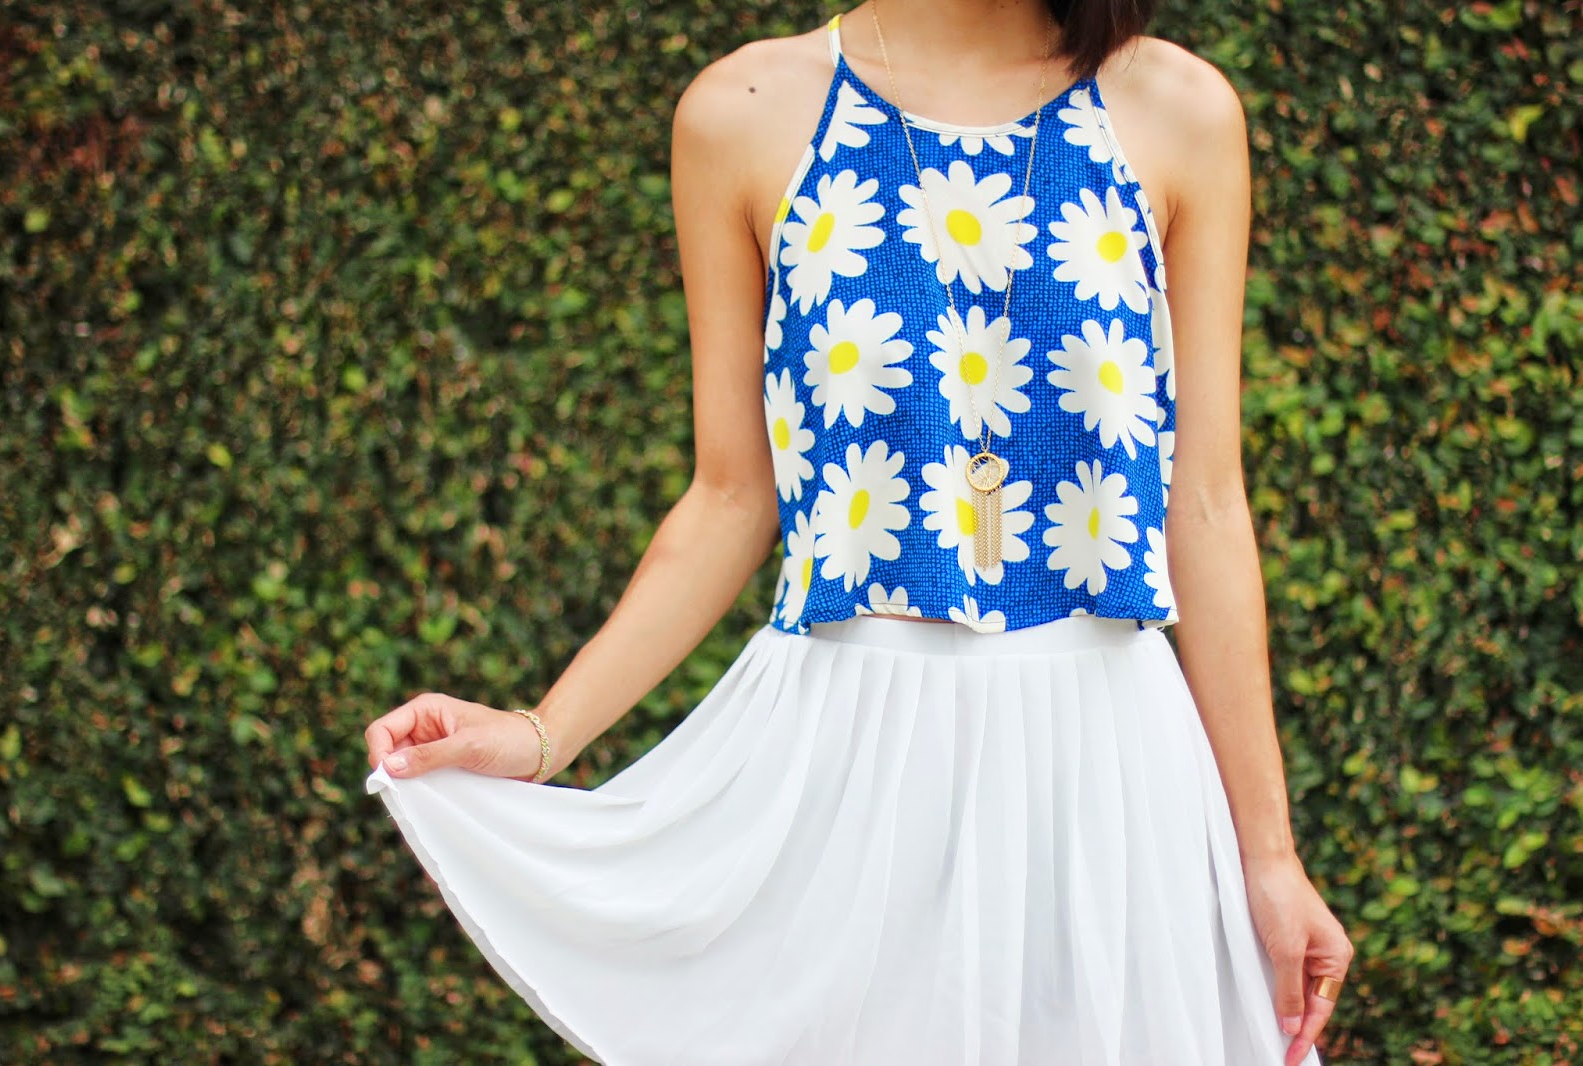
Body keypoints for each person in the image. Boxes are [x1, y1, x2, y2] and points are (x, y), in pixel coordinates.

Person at [362, 1, 1354, 1063]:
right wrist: (543, 733)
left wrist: (1268, 857)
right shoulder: (744, 111)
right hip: (849, 763)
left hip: (1109, 766)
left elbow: (1204, 503)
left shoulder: (1176, 107)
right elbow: (731, 496)